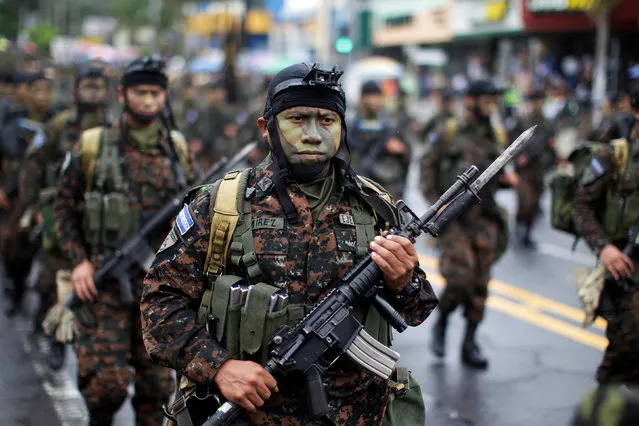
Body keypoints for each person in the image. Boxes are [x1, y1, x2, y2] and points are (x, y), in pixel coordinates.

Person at [141, 63, 437, 425]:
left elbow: (416, 309)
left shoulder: (373, 207)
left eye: (327, 120)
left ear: (342, 128)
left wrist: (404, 281)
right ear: (267, 129)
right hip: (253, 414)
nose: (313, 134)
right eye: (297, 119)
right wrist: (219, 367)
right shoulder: (222, 205)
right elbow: (160, 300)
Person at [53, 56, 196, 426]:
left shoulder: (177, 149)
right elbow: (63, 208)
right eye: (140, 93)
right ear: (122, 94)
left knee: (154, 389)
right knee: (107, 386)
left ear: (165, 97)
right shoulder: (93, 145)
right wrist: (79, 261)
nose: (148, 101)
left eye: (155, 93)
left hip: (159, 286)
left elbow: (197, 215)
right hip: (105, 283)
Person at [20, 62, 111, 369]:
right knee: (51, 280)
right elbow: (34, 165)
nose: (93, 93)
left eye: (98, 87)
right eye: (88, 86)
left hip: (101, 221)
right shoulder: (60, 125)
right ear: (75, 91)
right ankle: (53, 336)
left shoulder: (115, 130)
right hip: (60, 214)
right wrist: (33, 208)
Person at [422, 80, 518, 369]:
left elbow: (498, 172)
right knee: (460, 279)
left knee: (480, 284)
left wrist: (506, 181)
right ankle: (442, 320)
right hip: (454, 220)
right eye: (486, 98)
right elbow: (428, 168)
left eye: (494, 98)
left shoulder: (497, 133)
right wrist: (436, 207)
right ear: (471, 101)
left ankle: (469, 343)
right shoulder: (449, 131)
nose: (492, 103)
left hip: (485, 218)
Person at [571, 89, 639, 387]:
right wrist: (605, 248)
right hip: (625, 266)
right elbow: (581, 207)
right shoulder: (614, 156)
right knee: (625, 349)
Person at [1, 71, 56, 317]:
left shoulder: (58, 124)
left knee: (48, 254)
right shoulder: (13, 121)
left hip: (47, 197)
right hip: (14, 195)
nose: (42, 97)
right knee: (12, 244)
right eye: (38, 90)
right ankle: (17, 287)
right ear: (28, 92)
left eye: (47, 91)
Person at [347, 80, 411, 200]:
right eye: (370, 96)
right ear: (361, 99)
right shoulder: (351, 126)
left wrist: (400, 151)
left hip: (385, 188)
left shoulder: (391, 126)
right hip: (356, 186)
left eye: (377, 96)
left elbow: (407, 160)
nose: (374, 101)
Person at [512, 90, 555, 248]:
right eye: (534, 101)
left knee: (535, 203)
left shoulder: (547, 123)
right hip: (524, 170)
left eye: (539, 101)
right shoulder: (522, 120)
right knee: (525, 202)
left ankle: (527, 233)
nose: (537, 105)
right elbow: (513, 143)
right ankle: (518, 225)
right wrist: (519, 158)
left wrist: (552, 156)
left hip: (539, 169)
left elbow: (551, 146)